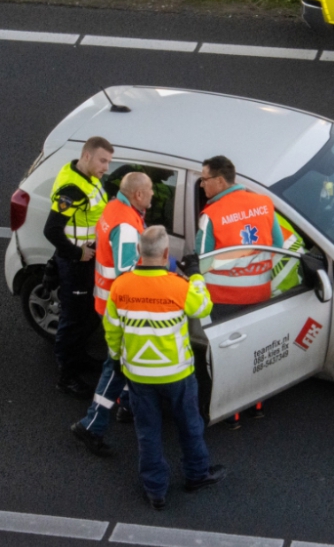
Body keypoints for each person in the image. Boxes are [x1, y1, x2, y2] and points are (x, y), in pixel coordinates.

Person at [104, 226, 225, 510]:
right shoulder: (178, 286)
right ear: (167, 254)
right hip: (177, 374)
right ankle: (196, 475)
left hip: (138, 375)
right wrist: (195, 275)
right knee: (189, 426)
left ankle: (155, 490)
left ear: (138, 252)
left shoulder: (121, 286)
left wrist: (117, 356)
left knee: (148, 432)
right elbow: (203, 308)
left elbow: (112, 329)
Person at [70, 172, 152, 457]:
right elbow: (127, 273)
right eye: (151, 190)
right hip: (122, 311)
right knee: (115, 367)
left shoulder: (114, 208)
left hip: (107, 303)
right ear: (138, 195)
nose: (154, 194)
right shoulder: (127, 225)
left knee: (124, 362)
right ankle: (91, 424)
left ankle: (127, 405)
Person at [44, 136, 112, 399]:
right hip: (75, 263)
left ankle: (80, 357)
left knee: (86, 314)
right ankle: (66, 376)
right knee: (72, 321)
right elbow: (51, 229)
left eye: (108, 161)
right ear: (86, 156)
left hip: (86, 258)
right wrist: (77, 253)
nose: (106, 167)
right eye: (102, 160)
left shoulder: (87, 177)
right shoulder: (73, 189)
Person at [192, 155, 283, 322]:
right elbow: (277, 244)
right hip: (260, 292)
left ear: (219, 181)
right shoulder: (264, 203)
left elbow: (202, 262)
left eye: (204, 179)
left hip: (224, 299)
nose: (202, 184)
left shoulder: (211, 215)